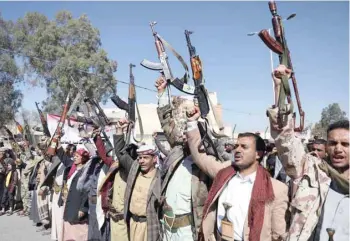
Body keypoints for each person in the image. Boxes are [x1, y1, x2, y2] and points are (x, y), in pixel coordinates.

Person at [267, 64, 349, 241]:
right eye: (333, 143)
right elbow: (285, 140)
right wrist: (280, 87)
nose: (338, 149)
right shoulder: (312, 170)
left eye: (346, 144)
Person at [185, 105, 289, 241]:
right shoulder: (224, 174)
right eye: (236, 146)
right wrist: (192, 123)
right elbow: (200, 157)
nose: (237, 150)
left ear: (258, 154)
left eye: (244, 147)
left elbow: (278, 233)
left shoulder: (276, 189)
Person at [115, 118, 161, 241]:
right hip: (132, 223)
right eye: (140, 158)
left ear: (154, 159)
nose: (141, 161)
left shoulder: (160, 178)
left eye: (145, 158)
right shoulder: (135, 171)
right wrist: (119, 130)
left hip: (150, 226)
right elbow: (120, 154)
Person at [62, 148, 90, 241]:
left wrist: (83, 208)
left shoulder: (86, 172)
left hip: (78, 204)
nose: (74, 158)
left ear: (83, 158)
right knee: (69, 228)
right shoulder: (74, 170)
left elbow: (86, 191)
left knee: (78, 230)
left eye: (77, 156)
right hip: (70, 202)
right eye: (74, 156)